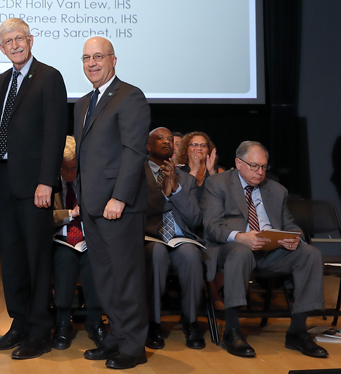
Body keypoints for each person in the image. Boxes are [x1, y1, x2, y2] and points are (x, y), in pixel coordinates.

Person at [0, 18, 68, 360]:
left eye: (20, 38)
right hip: (3, 181)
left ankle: (39, 330)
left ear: (31, 40)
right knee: (13, 259)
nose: (15, 44)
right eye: (8, 40)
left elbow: (54, 132)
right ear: (1, 47)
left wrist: (46, 181)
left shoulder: (49, 77)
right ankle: (19, 322)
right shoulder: (0, 81)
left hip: (35, 184)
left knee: (36, 258)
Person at [201, 141, 327, 358]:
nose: (260, 172)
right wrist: (240, 237)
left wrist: (293, 238)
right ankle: (232, 331)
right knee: (240, 251)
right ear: (238, 163)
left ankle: (297, 331)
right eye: (254, 166)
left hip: (270, 251)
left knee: (310, 254)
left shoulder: (277, 190)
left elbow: (290, 224)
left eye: (264, 166)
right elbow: (211, 226)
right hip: (230, 249)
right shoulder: (217, 183)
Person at [74, 36, 150, 369]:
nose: (92, 63)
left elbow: (134, 152)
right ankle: (117, 338)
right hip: (91, 207)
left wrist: (119, 197)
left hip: (118, 207)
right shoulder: (82, 103)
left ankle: (134, 347)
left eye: (99, 57)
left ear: (113, 60)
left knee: (126, 278)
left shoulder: (130, 96)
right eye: (86, 58)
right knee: (104, 278)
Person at [142, 127, 205, 350]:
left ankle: (191, 322)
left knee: (191, 255)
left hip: (180, 237)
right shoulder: (137, 174)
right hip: (150, 236)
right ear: (148, 146)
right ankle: (153, 323)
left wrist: (176, 189)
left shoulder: (186, 180)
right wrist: (164, 194)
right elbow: (138, 211)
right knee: (157, 254)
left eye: (170, 139)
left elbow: (196, 218)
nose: (167, 142)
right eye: (160, 139)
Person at [50, 135, 107, 351]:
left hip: (88, 239)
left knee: (93, 260)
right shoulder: (51, 183)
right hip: (61, 239)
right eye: (66, 168)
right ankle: (63, 322)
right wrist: (69, 214)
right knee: (64, 260)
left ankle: (95, 320)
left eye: (75, 168)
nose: (71, 173)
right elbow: (44, 217)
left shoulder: (91, 181)